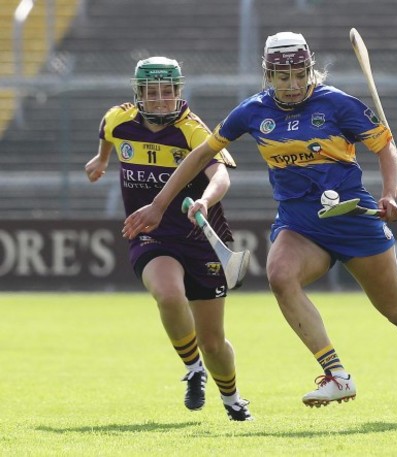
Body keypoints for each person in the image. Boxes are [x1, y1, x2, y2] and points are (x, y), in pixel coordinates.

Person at [122, 32, 397, 423]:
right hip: (299, 223)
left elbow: (384, 148)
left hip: (353, 219)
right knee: (280, 276)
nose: (293, 85)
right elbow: (202, 155)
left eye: (300, 75)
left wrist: (388, 195)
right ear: (268, 75)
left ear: (310, 69)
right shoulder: (251, 111)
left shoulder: (336, 104)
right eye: (283, 78)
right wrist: (160, 205)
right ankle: (336, 373)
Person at [85, 56, 252, 421]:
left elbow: (221, 176)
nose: (161, 99)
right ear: (138, 93)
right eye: (152, 91)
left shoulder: (192, 129)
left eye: (168, 91)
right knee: (168, 293)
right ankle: (193, 370)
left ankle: (233, 399)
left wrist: (206, 199)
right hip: (152, 233)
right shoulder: (119, 118)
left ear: (179, 91)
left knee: (213, 342)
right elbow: (106, 134)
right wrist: (101, 160)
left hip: (201, 238)